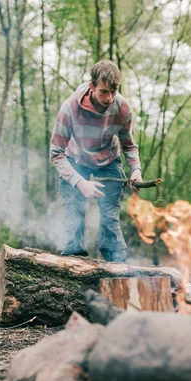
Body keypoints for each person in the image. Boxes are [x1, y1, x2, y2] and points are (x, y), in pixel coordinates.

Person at [50, 60, 142, 262]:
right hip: (76, 158)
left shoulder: (123, 109)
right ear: (91, 86)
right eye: (104, 91)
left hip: (109, 159)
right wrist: (80, 182)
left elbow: (129, 145)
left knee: (110, 216)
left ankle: (116, 266)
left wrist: (136, 170)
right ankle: (74, 262)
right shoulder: (70, 108)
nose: (109, 98)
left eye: (114, 91)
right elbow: (56, 153)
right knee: (75, 209)